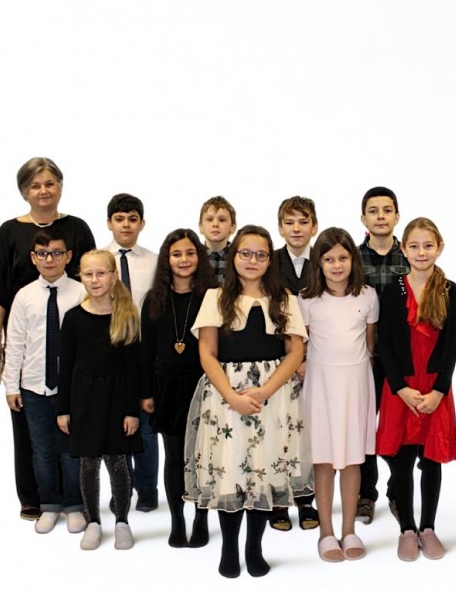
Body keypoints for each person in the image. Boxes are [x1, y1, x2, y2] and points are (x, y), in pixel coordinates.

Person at [184, 226, 312, 578]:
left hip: (273, 396)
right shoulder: (216, 297)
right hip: (226, 397)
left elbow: (295, 351)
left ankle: (254, 547)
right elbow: (207, 353)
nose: (252, 260)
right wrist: (232, 396)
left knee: (263, 471)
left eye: (261, 254)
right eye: (245, 253)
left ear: (270, 260)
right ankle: (229, 547)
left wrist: (266, 390)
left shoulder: (284, 298)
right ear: (233, 256)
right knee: (231, 472)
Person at [0, 156, 95, 520]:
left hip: (71, 341)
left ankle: (77, 499)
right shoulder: (9, 232)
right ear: (23, 191)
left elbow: (95, 279)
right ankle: (35, 497)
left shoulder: (77, 228)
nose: (43, 190)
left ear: (60, 186)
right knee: (29, 427)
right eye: (35, 185)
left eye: (49, 183)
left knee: (72, 425)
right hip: (26, 339)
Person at [376, 218, 456, 562]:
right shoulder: (393, 290)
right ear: (403, 249)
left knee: (431, 459)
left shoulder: (450, 291)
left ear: (439, 247)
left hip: (434, 388)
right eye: (414, 246)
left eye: (428, 245)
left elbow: (453, 345)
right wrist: (401, 388)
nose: (421, 252)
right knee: (401, 461)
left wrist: (439, 391)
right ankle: (407, 529)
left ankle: (428, 526)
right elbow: (385, 344)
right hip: (401, 389)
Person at [299, 228, 378, 563]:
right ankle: (326, 532)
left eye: (343, 258)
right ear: (318, 263)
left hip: (355, 383)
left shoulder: (368, 296)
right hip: (321, 384)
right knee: (325, 458)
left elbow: (370, 343)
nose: (336, 265)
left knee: (352, 457)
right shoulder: (306, 299)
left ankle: (349, 529)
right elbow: (300, 346)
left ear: (353, 260)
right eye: (329, 259)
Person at [57, 250, 143, 551]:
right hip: (83, 399)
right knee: (88, 463)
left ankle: (122, 521)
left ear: (114, 276)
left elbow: (133, 369)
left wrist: (132, 410)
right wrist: (63, 409)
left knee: (118, 461)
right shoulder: (73, 319)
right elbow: (66, 367)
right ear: (80, 276)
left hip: (117, 399)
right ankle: (93, 521)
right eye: (88, 274)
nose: (94, 280)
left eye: (101, 273)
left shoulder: (127, 316)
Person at [3, 230, 87, 535]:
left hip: (71, 389)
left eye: (56, 253)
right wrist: (11, 386)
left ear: (68, 256)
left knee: (71, 450)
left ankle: (75, 505)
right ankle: (49, 504)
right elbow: (15, 344)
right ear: (33, 258)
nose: (49, 259)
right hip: (34, 388)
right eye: (42, 253)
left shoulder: (81, 293)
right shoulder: (24, 296)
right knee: (41, 451)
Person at [139, 229, 218, 547]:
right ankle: (177, 520)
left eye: (190, 253)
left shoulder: (212, 296)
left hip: (204, 386)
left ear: (199, 257)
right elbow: (146, 349)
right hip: (166, 387)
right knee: (174, 456)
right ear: (166, 260)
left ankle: (201, 519)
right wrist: (146, 392)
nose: (183, 260)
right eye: (176, 254)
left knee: (203, 458)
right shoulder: (154, 299)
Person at [355, 186, 410, 524]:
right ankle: (366, 493)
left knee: (399, 426)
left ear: (397, 216)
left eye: (387, 210)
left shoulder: (411, 255)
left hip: (403, 357)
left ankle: (398, 490)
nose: (380, 216)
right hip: (363, 356)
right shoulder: (351, 259)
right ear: (363, 218)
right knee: (364, 424)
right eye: (373, 211)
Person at [102, 192, 159, 512]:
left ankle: (147, 488)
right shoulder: (98, 261)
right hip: (111, 351)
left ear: (142, 223)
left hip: (144, 352)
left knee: (146, 426)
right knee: (115, 425)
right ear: (109, 222)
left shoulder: (153, 261)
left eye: (132, 219)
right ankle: (120, 487)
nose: (126, 224)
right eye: (119, 219)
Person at [269, 195, 321, 531]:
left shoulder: (326, 259)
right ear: (280, 227)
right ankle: (277, 499)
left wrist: (307, 357)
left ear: (314, 226)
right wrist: (292, 359)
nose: (297, 228)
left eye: (303, 222)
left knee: (308, 431)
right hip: (277, 357)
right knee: (278, 429)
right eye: (289, 222)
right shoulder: (269, 261)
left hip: (319, 358)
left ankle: (305, 499)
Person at [198, 195, 238, 284]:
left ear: (232, 227)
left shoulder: (239, 258)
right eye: (209, 219)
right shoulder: (194, 257)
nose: (215, 224)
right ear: (201, 227)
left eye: (222, 220)